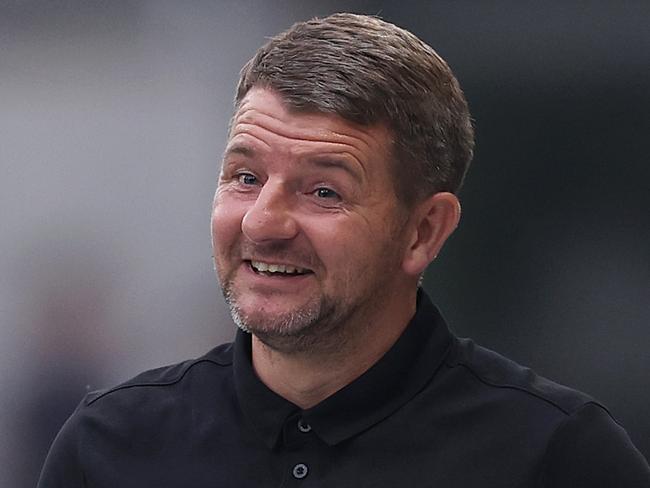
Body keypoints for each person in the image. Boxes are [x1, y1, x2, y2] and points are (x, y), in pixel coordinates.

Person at [38, 13, 649, 487]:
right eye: (245, 177)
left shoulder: (557, 457)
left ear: (424, 232)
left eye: (323, 190)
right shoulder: (109, 446)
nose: (263, 222)